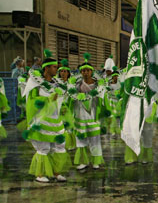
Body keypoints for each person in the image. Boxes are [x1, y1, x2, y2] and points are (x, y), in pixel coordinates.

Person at [22, 50, 70, 183]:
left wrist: (64, 108)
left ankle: (56, 172)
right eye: (54, 67)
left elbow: (61, 100)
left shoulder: (57, 83)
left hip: (56, 120)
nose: (57, 69)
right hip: (42, 121)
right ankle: (40, 173)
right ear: (46, 68)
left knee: (60, 145)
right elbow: (31, 102)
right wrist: (48, 99)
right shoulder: (36, 83)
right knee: (44, 148)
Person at [69, 53, 108, 170]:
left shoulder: (98, 85)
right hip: (80, 114)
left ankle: (95, 160)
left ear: (91, 72)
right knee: (81, 139)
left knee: (94, 139)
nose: (85, 72)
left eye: (87, 70)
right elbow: (71, 97)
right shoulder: (76, 85)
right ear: (81, 72)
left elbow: (103, 98)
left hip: (93, 113)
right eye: (83, 70)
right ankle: (83, 161)